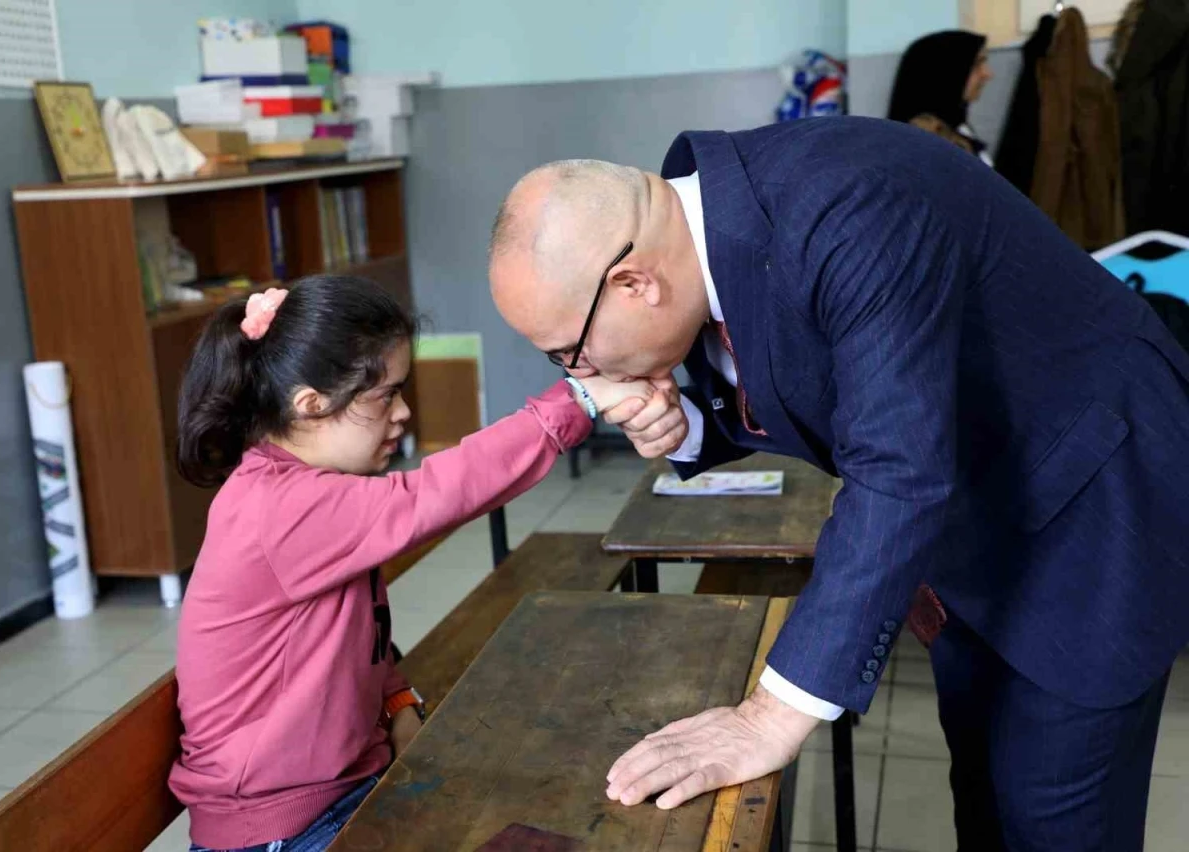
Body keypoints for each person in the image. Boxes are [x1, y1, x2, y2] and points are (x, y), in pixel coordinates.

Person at [487, 118, 1189, 850]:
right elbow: (811, 376)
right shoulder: (717, 224)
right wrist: (686, 425)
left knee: (1049, 816)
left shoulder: (846, 209)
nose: (583, 377)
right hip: (982, 516)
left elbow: (897, 468)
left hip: (1095, 502)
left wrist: (768, 717)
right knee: (983, 791)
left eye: (568, 353)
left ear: (634, 283)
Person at [169, 275, 650, 851]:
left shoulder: (303, 491)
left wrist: (396, 700)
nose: (403, 413)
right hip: (282, 829)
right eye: (385, 395)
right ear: (311, 405)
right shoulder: (278, 507)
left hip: (339, 788)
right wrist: (578, 400)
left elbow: (346, 635)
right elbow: (435, 494)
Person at [888, 30, 994, 164]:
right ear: (945, 71)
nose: (987, 74)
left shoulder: (954, 126)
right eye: (977, 64)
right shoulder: (923, 142)